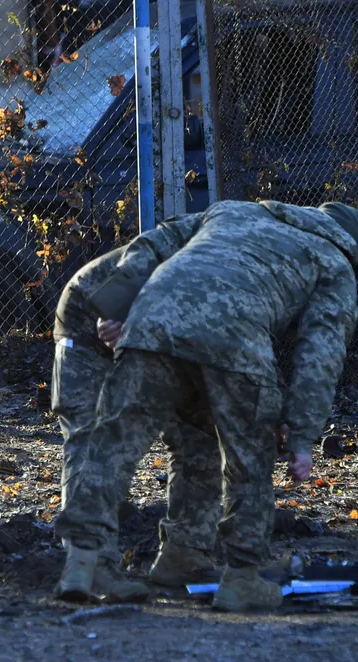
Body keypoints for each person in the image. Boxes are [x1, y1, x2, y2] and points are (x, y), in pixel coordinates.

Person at [54, 200, 358, 612]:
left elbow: (153, 240)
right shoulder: (336, 263)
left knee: (115, 441)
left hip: (152, 318)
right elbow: (321, 353)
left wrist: (117, 304)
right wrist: (303, 434)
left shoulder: (233, 211)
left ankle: (84, 562)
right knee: (248, 461)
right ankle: (242, 579)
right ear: (354, 247)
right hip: (233, 338)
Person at [52, 219, 224, 602]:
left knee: (201, 437)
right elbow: (144, 270)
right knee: (92, 436)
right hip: (90, 318)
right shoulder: (231, 245)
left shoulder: (263, 269)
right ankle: (91, 565)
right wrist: (122, 312)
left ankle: (185, 555)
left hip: (164, 338)